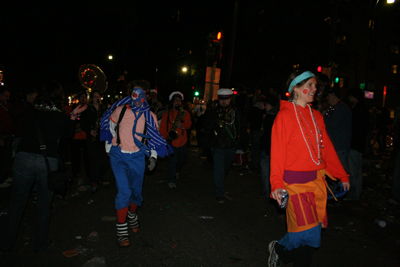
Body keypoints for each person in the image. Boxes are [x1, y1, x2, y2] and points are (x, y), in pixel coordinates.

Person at [267, 71, 350, 267]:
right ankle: (279, 250)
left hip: (316, 184)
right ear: (296, 89)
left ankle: (279, 250)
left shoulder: (317, 116)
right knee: (309, 233)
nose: (315, 90)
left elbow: (326, 149)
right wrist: (276, 185)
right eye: (310, 85)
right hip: (294, 185)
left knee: (309, 235)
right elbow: (277, 154)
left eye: (315, 86)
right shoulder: (284, 116)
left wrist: (341, 175)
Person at [0, 80, 87, 252]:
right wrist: (73, 116)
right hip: (46, 162)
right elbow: (68, 134)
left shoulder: (31, 111)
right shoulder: (60, 116)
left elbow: (21, 127)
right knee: (43, 205)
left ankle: (5, 244)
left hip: (23, 158)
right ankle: (40, 243)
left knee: (17, 204)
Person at [100, 80, 172, 247]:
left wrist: (153, 157)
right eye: (134, 93)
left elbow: (153, 139)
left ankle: (132, 214)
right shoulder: (120, 110)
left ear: (146, 96)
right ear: (129, 94)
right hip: (118, 156)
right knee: (124, 191)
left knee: (136, 191)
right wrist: (110, 147)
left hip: (137, 157)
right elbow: (110, 127)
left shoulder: (150, 116)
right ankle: (121, 229)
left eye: (141, 94)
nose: (137, 97)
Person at [203, 88, 247, 203]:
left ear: (230, 99)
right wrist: (216, 121)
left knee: (226, 168)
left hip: (231, 146)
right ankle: (219, 192)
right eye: (221, 99)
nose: (223, 102)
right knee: (219, 170)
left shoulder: (236, 112)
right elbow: (205, 125)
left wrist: (243, 143)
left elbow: (241, 127)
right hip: (217, 145)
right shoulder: (213, 111)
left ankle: (220, 184)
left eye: (226, 99)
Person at [159, 91, 192, 188]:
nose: (178, 103)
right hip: (171, 142)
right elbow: (163, 128)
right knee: (171, 162)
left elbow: (189, 124)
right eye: (176, 101)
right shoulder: (166, 114)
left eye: (180, 101)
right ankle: (172, 180)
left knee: (183, 160)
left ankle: (177, 170)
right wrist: (166, 138)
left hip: (182, 141)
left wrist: (182, 126)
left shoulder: (185, 113)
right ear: (172, 102)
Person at [80, 90, 110, 192]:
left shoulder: (104, 109)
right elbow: (83, 123)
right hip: (92, 138)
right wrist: (90, 130)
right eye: (95, 96)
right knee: (93, 161)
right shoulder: (87, 109)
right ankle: (94, 180)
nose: (97, 98)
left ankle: (98, 178)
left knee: (105, 161)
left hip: (103, 137)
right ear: (92, 99)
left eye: (99, 96)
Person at [345, 87, 370, 200]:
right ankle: (356, 193)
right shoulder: (361, 109)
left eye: (350, 96)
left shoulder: (358, 110)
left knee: (353, 171)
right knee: (356, 170)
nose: (349, 98)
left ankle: (353, 194)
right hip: (358, 144)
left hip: (355, 144)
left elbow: (356, 128)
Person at [323, 87, 352, 175]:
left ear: (334, 96)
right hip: (336, 145)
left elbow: (333, 123)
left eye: (328, 96)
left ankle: (345, 187)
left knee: (340, 170)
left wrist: (322, 116)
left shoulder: (342, 109)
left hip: (340, 145)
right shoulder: (335, 108)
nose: (327, 98)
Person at [259, 95, 279, 199]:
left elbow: (267, 135)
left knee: (266, 170)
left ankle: (266, 192)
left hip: (268, 149)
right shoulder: (280, 115)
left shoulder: (269, 117)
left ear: (268, 105)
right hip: (277, 150)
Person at [69, 92, 90, 185]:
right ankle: (76, 174)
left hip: (85, 136)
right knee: (75, 157)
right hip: (75, 137)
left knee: (87, 157)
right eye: (81, 97)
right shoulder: (74, 108)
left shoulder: (88, 108)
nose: (83, 99)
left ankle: (88, 174)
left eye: (85, 97)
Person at [248, 95, 266, 173]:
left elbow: (250, 119)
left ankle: (254, 164)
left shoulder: (254, 109)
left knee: (254, 149)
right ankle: (258, 164)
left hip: (254, 130)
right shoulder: (264, 110)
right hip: (260, 130)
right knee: (259, 149)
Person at [0, 87, 13, 188]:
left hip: (8, 135)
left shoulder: (6, 106)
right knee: (2, 158)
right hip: (2, 135)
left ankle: (4, 176)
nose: (7, 98)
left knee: (7, 158)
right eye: (5, 96)